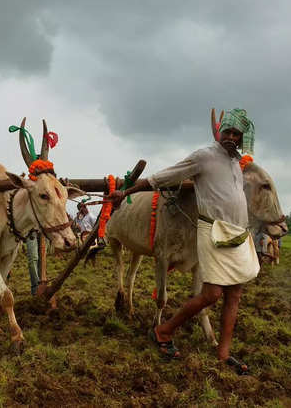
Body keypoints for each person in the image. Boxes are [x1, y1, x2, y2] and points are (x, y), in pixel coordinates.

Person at [107, 108, 258, 376]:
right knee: (211, 294)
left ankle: (223, 354)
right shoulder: (205, 156)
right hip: (214, 233)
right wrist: (127, 191)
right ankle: (163, 330)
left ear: (242, 138)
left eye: (237, 134)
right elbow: (161, 178)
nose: (232, 137)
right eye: (228, 131)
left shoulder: (237, 164)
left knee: (234, 295)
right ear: (220, 131)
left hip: (238, 235)